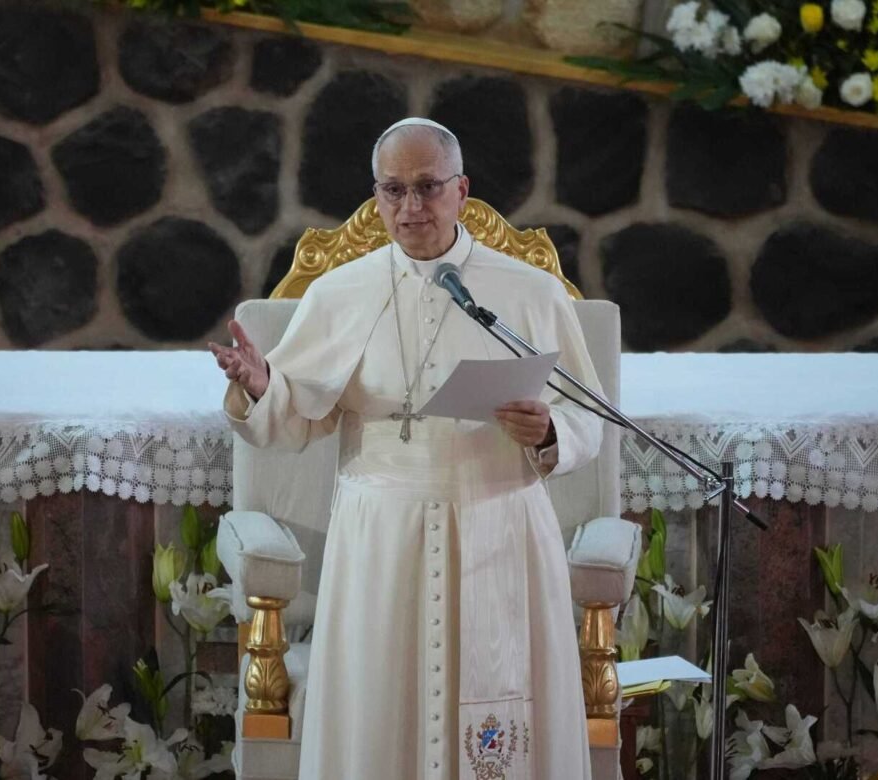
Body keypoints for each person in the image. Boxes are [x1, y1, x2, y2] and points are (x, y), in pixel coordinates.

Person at [209, 117, 602, 780]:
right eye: (393, 191)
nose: (410, 207)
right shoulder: (338, 294)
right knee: (379, 707)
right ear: (376, 194)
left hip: (499, 518)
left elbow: (589, 412)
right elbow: (299, 417)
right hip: (380, 532)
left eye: (427, 188)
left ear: (461, 190)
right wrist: (263, 384)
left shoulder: (528, 292)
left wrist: (551, 431)